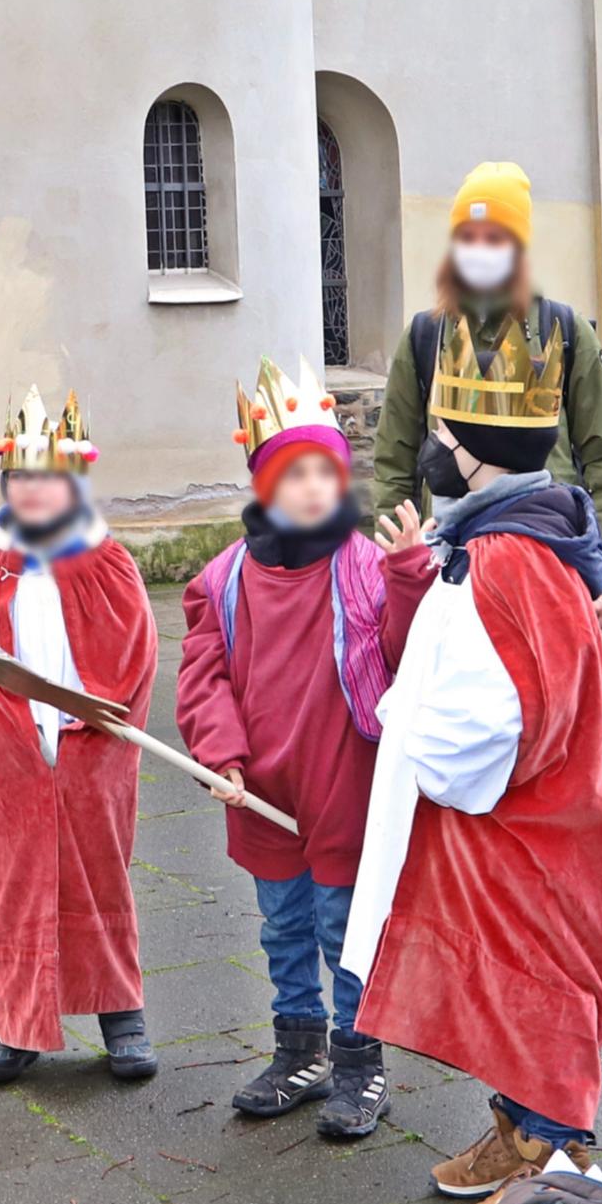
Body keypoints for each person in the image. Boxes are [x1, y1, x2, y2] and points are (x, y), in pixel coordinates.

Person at [344, 312, 602, 1204]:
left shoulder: (512, 560)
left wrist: (407, 739)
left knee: (534, 983)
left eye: (441, 430)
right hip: (511, 826)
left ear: (472, 450)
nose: (427, 443)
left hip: (534, 827)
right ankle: (516, 1130)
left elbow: (498, 724)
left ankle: (555, 1162)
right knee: (503, 980)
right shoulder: (497, 540)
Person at [176, 356, 435, 1139]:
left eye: (327, 471)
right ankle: (300, 1050)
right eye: (295, 474)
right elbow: (203, 675)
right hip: (259, 786)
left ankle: (360, 1061)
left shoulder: (363, 565)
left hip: (340, 780)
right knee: (282, 925)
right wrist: (221, 753)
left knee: (343, 925)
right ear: (265, 486)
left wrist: (411, 577)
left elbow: (402, 656)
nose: (315, 487)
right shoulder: (222, 579)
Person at [0, 386, 160, 1087]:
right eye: (23, 480)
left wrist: (93, 723)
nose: (35, 492)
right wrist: (9, 737)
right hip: (12, 749)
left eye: (49, 480)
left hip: (88, 746)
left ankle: (119, 1012)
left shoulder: (108, 565)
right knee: (12, 884)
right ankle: (15, 1023)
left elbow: (132, 658)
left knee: (98, 875)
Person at [372, 161, 602, 629]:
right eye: (468, 238)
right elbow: (395, 457)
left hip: (544, 549)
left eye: (494, 238)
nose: (479, 250)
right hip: (444, 549)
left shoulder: (565, 331)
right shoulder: (425, 335)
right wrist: (392, 556)